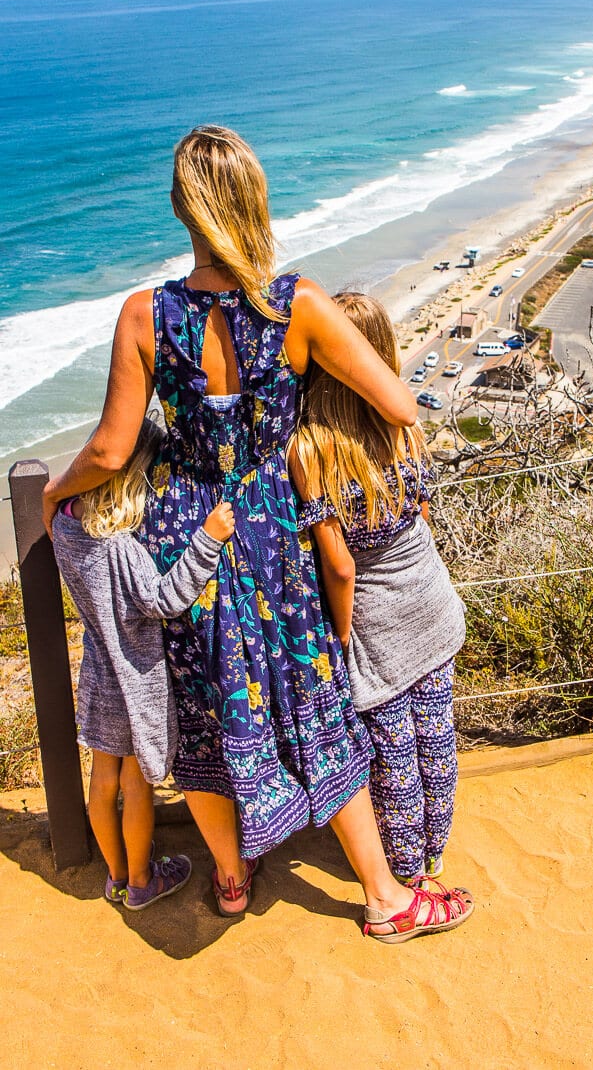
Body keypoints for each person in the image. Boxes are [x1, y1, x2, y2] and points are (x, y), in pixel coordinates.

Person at [43, 125, 472, 939]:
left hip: (188, 537)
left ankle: (232, 877)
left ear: (181, 207)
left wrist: (55, 495)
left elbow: (108, 448)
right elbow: (400, 404)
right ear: (255, 202)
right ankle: (385, 898)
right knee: (315, 699)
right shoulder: (297, 303)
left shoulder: (144, 314)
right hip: (276, 534)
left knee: (207, 709)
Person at [289, 292, 466, 887]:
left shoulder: (311, 448)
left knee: (393, 752)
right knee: (435, 734)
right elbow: (417, 508)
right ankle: (434, 850)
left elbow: (339, 566)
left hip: (378, 618)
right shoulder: (403, 425)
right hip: (429, 595)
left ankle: (406, 867)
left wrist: (340, 634)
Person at [51, 417, 235, 910]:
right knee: (134, 786)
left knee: (102, 778)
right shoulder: (123, 549)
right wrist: (208, 539)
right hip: (133, 679)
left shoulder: (66, 524)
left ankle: (113, 875)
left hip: (96, 672)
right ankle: (140, 881)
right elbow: (165, 598)